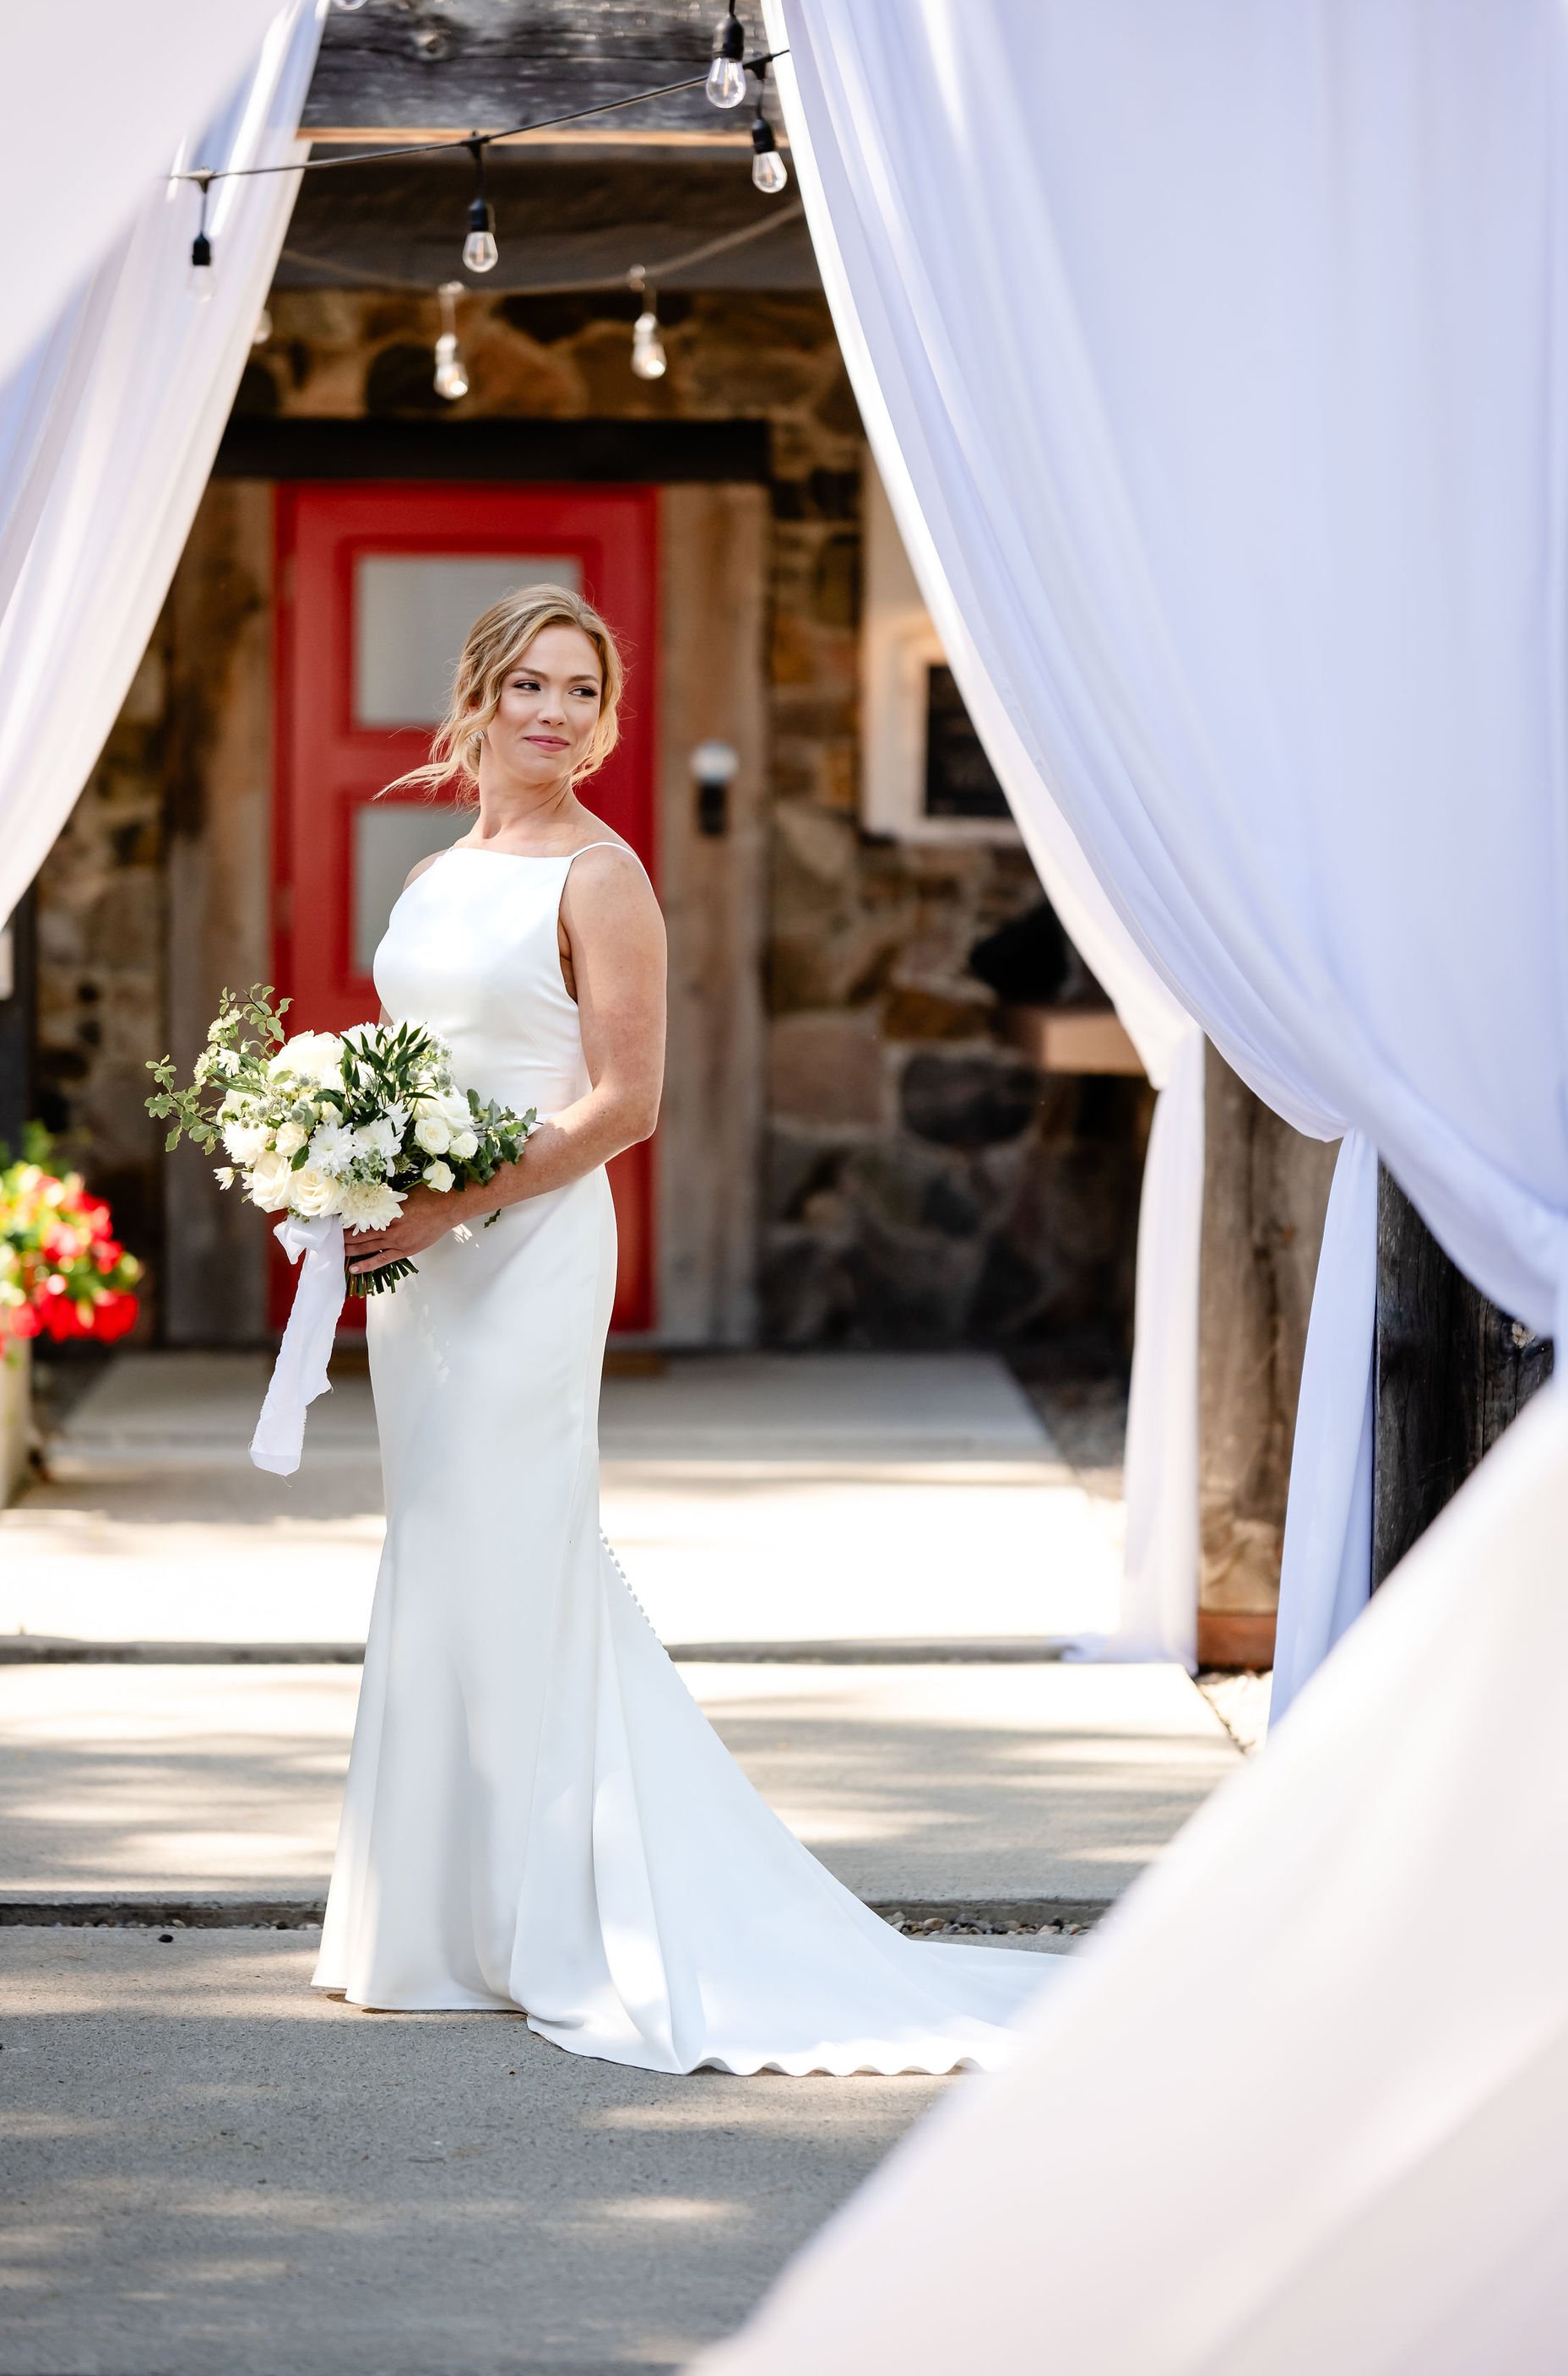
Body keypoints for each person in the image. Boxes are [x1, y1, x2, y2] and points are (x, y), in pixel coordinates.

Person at [313, 582, 1059, 2073]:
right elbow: (414, 1055)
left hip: (519, 1256)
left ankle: (557, 1919)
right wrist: (343, 1162)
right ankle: (439, 1921)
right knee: (443, 1549)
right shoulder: (439, 870)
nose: (552, 714)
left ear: (607, 717)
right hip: (425, 1264)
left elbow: (624, 1106)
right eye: (528, 684)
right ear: (477, 694)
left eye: (580, 692)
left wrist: (450, 1207)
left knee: (516, 1545)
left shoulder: (603, 876)